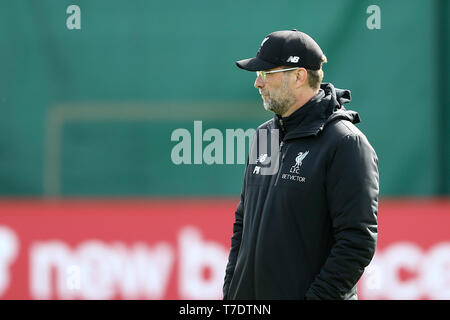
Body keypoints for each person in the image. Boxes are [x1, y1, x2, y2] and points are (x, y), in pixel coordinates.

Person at [223, 29, 379, 300]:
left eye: (266, 74)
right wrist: (231, 292)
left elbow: (356, 242)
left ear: (299, 76)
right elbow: (242, 224)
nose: (258, 84)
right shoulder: (265, 136)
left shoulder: (345, 143)